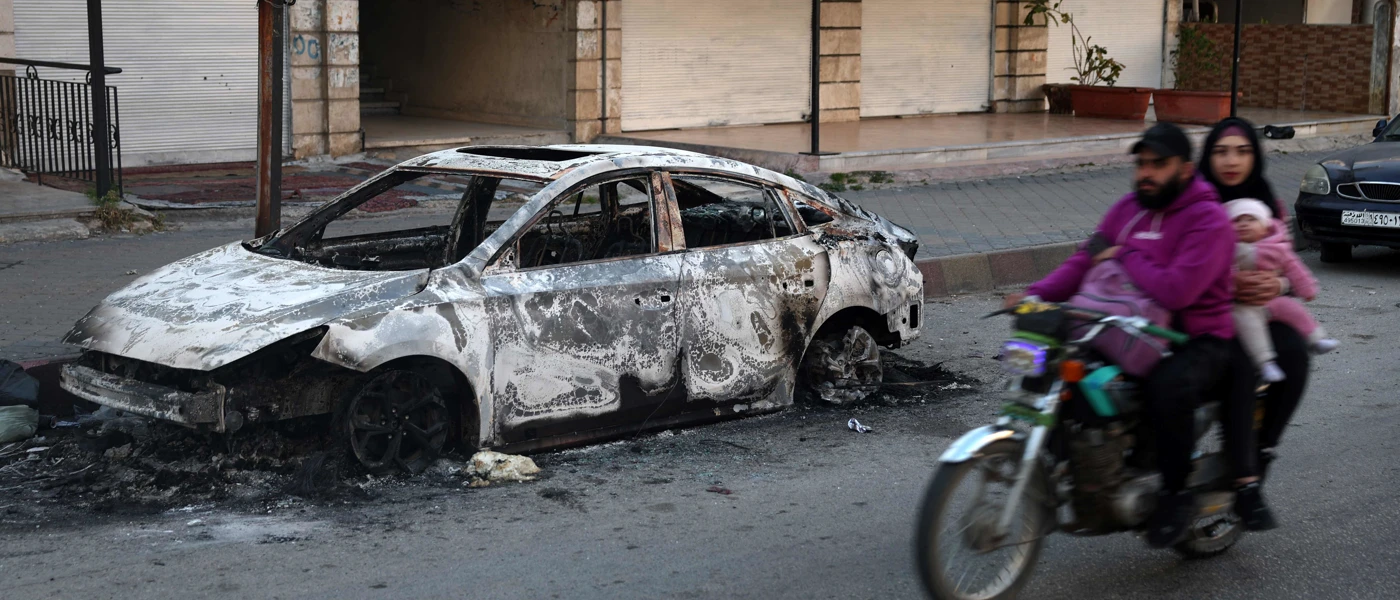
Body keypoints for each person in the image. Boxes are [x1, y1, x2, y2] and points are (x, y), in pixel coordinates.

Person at [1004, 122, 1236, 548]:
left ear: (1185, 170)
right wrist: (1035, 294)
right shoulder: (1126, 209)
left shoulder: (1210, 220)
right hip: (1126, 330)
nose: (1146, 172)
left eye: (1158, 164)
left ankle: (1174, 494)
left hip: (1197, 336)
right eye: (1142, 163)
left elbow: (1177, 290)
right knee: (1068, 375)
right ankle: (1086, 470)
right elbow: (1084, 262)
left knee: (1167, 386)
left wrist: (1128, 254)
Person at [1199, 117, 1310, 528]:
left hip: (1259, 309)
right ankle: (1243, 480)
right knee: (1240, 367)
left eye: (1242, 151)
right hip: (1208, 312)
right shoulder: (1196, 199)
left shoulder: (1266, 200)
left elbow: (1289, 264)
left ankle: (1262, 453)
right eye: (1221, 151)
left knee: (1296, 354)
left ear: (1255, 156)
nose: (1232, 161)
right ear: (1208, 156)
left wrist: (1276, 284)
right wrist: (1232, 285)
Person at [1225, 198, 1338, 383]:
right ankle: (1265, 363)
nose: (1244, 225)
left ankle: (1316, 338)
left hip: (1273, 299)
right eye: (1237, 221)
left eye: (1251, 220)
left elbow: (1294, 267)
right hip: (1242, 304)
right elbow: (1219, 271)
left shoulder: (1276, 247)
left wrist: (1305, 288)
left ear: (1265, 226)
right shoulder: (1227, 250)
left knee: (1294, 309)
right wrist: (1232, 284)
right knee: (1249, 326)